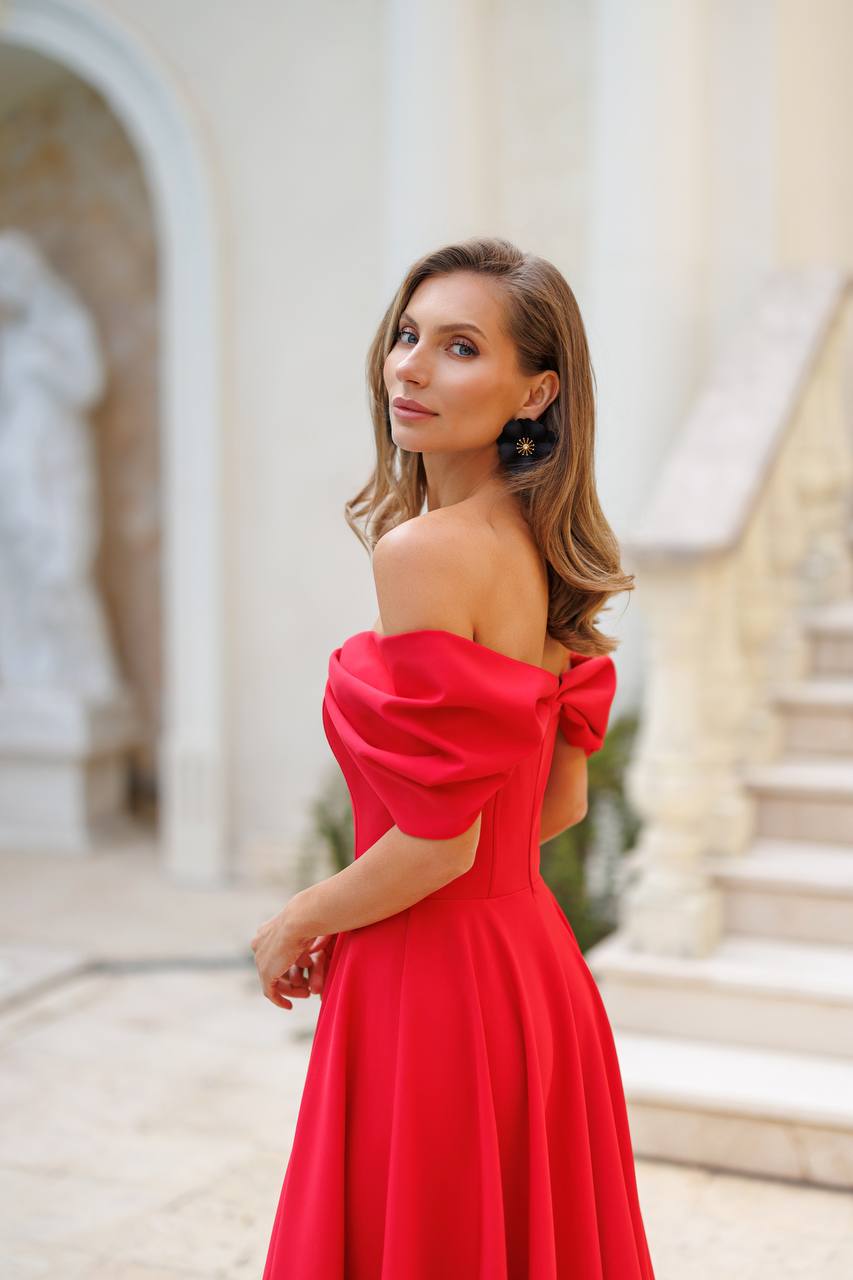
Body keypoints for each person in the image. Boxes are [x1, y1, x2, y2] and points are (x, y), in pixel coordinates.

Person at [251, 236, 655, 1278]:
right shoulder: (536, 539)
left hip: (428, 977)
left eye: (460, 346)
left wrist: (302, 916)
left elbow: (436, 842)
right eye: (406, 334)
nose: (411, 366)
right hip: (530, 970)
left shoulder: (422, 551)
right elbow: (551, 806)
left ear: (536, 392)